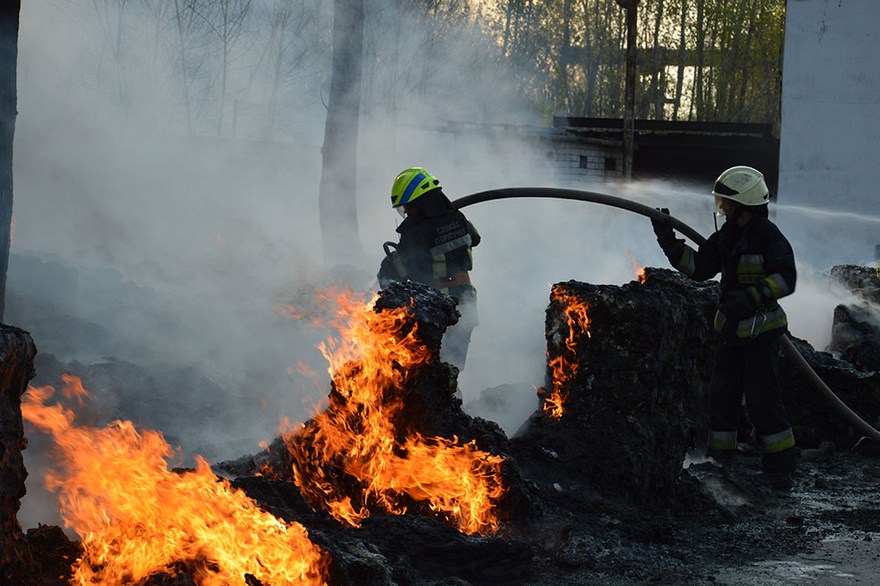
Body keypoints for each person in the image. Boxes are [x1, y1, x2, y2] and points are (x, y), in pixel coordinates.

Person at [651, 165, 798, 491]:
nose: (722, 208)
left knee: (763, 402)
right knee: (722, 398)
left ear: (745, 205)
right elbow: (697, 268)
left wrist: (754, 296)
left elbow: (785, 277)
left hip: (762, 334)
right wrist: (666, 238)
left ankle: (780, 472)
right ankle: (720, 465)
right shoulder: (726, 237)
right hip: (731, 334)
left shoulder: (769, 237)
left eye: (727, 203)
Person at [377, 167, 481, 370]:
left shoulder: (414, 233)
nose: (407, 212)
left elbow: (396, 273)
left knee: (428, 372)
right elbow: (475, 239)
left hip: (437, 307)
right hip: (466, 302)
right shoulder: (458, 219)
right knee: (451, 369)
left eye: (408, 207)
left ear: (419, 204)